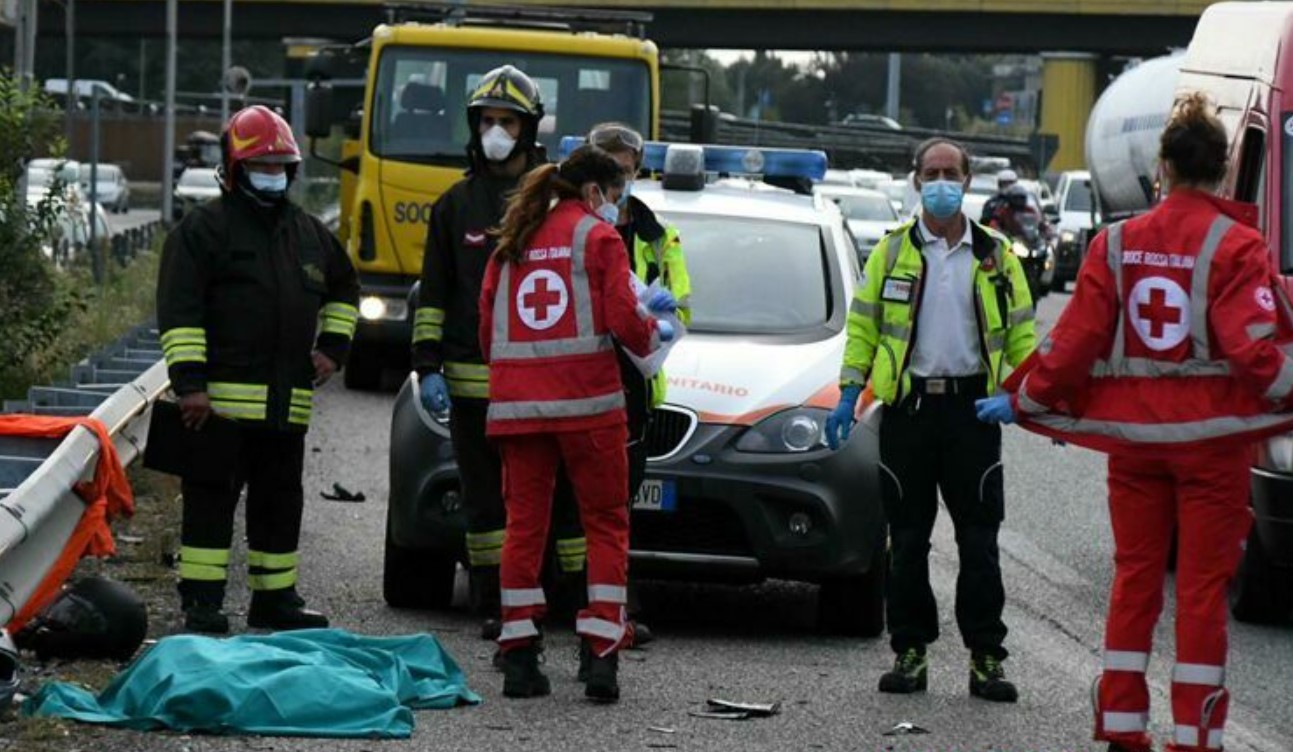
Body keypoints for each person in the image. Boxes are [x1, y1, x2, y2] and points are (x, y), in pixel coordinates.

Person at [977, 93, 1293, 752]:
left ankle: (1122, 728)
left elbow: (1073, 344)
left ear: (1163, 168)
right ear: (1224, 170)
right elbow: (1255, 353)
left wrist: (1025, 398)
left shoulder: (1114, 243)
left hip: (1136, 447)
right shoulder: (1237, 246)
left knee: (1134, 579)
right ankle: (1192, 738)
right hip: (1211, 450)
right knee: (1202, 592)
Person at [825, 137, 1036, 702]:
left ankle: (986, 657)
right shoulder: (892, 253)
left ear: (967, 182)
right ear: (917, 181)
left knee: (979, 542)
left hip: (973, 415)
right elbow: (865, 328)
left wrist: (1026, 395)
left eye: (952, 173)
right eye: (932, 172)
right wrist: (849, 393)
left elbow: (1022, 336)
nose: (942, 182)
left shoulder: (996, 256)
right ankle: (910, 651)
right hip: (910, 415)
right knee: (908, 541)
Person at [479, 145, 673, 702]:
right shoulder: (599, 238)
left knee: (524, 528)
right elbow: (622, 319)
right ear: (593, 193)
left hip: (519, 412)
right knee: (607, 525)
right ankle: (601, 658)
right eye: (613, 196)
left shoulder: (511, 241)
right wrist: (654, 332)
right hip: (589, 407)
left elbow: (486, 329)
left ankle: (519, 658)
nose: (615, 207)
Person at [158, 105, 359, 633]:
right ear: (234, 169)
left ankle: (275, 600)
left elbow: (344, 287)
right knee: (210, 506)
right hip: (216, 409)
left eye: (279, 166)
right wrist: (191, 388)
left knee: (279, 505)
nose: (272, 175)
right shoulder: (202, 232)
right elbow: (180, 315)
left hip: (285, 404)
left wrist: (334, 347)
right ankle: (201, 604)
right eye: (260, 166)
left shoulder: (310, 234)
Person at [411, 65, 555, 641]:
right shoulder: (454, 206)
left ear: (528, 129)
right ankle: (494, 601)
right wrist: (426, 365)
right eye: (488, 121)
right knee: (483, 502)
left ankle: (553, 600)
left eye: (508, 121)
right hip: (473, 390)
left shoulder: (550, 202)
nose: (496, 131)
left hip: (541, 387)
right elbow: (433, 295)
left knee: (542, 497)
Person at [586, 121, 692, 642]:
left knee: (618, 506)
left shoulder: (657, 236)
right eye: (609, 173)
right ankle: (573, 602)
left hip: (634, 384)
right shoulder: (572, 225)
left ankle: (613, 606)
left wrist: (666, 314)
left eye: (625, 172)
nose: (618, 184)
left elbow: (685, 304)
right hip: (578, 374)